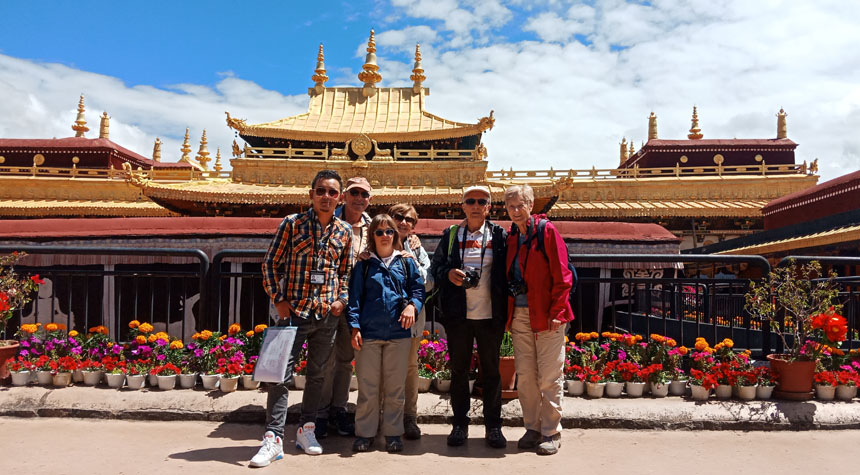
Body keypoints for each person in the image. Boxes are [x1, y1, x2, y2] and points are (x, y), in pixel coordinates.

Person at [251, 169, 353, 467]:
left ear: (340, 198)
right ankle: (273, 437)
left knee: (318, 375)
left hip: (326, 314)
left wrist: (341, 300)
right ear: (311, 194)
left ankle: (307, 429)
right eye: (321, 191)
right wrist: (278, 300)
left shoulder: (344, 231)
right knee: (279, 376)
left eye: (332, 192)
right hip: (294, 312)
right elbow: (270, 264)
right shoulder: (293, 225)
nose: (326, 197)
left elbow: (345, 272)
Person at [430, 185, 508, 448]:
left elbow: (509, 270)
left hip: (490, 315)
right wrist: (449, 274)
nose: (476, 205)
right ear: (462, 206)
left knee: (492, 372)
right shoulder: (452, 234)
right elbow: (436, 267)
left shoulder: (498, 235)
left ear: (489, 207)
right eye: (471, 201)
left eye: (482, 201)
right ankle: (459, 424)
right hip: (458, 316)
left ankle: (494, 427)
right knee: (460, 371)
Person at [503, 184, 574, 456]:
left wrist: (558, 311)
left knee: (549, 376)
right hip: (520, 313)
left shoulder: (546, 232)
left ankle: (551, 431)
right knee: (526, 376)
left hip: (547, 313)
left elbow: (563, 275)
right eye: (511, 206)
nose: (516, 211)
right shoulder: (512, 236)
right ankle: (532, 428)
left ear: (531, 205)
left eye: (521, 205)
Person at [348, 214, 425, 453]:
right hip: (369, 333)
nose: (384, 236)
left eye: (389, 231)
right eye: (379, 232)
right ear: (372, 236)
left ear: (395, 235)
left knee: (395, 388)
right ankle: (365, 433)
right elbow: (354, 299)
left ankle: (393, 433)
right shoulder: (364, 265)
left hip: (398, 333)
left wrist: (413, 305)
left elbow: (418, 290)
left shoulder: (406, 262)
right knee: (368, 388)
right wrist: (355, 327)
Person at [317, 176, 372, 438]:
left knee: (344, 359)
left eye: (364, 194)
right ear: (344, 196)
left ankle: (338, 409)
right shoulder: (329, 221)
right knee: (323, 358)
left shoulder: (374, 228)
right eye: (354, 193)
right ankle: (318, 411)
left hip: (357, 302)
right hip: (329, 300)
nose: (359, 199)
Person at [388, 203, 432, 440]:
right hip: (383, 319)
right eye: (399, 217)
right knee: (384, 371)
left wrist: (412, 259)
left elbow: (428, 282)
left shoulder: (418, 249)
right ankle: (386, 417)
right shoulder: (379, 242)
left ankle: (409, 417)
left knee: (410, 370)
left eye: (409, 220)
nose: (404, 223)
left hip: (411, 319)